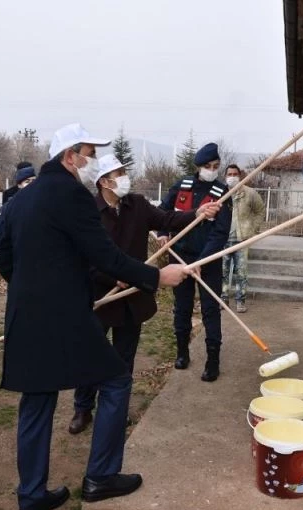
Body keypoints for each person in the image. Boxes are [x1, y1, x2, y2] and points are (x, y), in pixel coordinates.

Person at [0, 123, 192, 510]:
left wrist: (45, 282)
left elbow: (5, 261)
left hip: (25, 313)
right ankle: (100, 476)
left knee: (37, 399)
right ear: (70, 157)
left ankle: (31, 496)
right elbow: (105, 254)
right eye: (89, 153)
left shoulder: (18, 201)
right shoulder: (72, 195)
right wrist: (157, 277)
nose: (94, 162)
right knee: (117, 379)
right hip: (65, 314)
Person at [68, 154, 221, 435]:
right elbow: (81, 256)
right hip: (101, 297)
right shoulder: (87, 210)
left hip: (132, 297)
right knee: (90, 354)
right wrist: (112, 275)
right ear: (104, 181)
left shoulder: (136, 205)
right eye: (119, 173)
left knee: (124, 358)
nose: (125, 177)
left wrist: (198, 214)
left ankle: (115, 409)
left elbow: (168, 218)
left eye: (125, 171)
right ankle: (82, 408)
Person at [159, 143, 232, 382]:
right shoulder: (182, 186)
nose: (212, 170)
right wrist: (161, 232)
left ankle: (213, 361)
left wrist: (202, 260)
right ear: (197, 166)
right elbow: (163, 212)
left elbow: (220, 233)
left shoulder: (222, 194)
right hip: (179, 258)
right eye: (207, 166)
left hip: (207, 260)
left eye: (215, 166)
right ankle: (182, 352)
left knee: (211, 310)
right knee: (182, 307)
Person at [221, 164, 265, 313]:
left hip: (242, 239)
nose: (232, 177)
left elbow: (260, 211)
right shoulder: (221, 193)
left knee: (241, 273)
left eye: (235, 174)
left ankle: (240, 301)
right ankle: (223, 299)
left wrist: (254, 230)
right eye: (229, 174)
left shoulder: (250, 193)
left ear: (240, 176)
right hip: (223, 240)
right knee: (223, 272)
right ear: (225, 176)